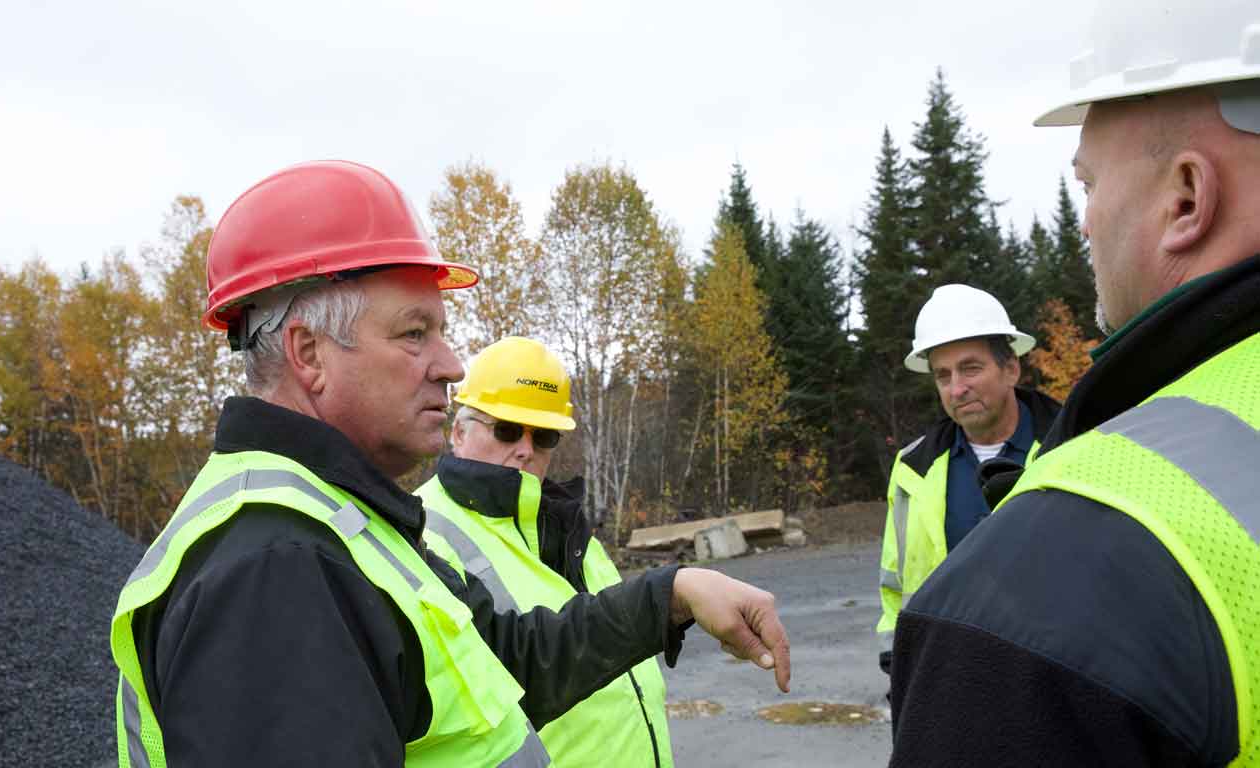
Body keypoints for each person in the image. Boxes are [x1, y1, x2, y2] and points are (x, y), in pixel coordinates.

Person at [108, 161, 790, 768]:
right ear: (309, 354)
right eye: (414, 333)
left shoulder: (343, 525)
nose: (452, 365)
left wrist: (674, 593)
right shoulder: (276, 568)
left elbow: (515, 661)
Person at [888, 1, 1260, 764]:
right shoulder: (915, 474)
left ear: (1186, 196)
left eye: (1088, 182)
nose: (1084, 223)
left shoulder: (1087, 524)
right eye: (943, 373)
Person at [415, 336, 675, 767]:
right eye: (507, 430)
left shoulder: (563, 524)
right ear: (459, 432)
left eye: (544, 436)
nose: (525, 449)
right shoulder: (423, 529)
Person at [876, 284, 1061, 677]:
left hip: (1053, 680)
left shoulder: (1073, 450)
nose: (957, 388)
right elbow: (895, 587)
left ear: (1011, 368)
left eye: (971, 368)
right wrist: (900, 667)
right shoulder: (913, 468)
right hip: (949, 679)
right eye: (943, 376)